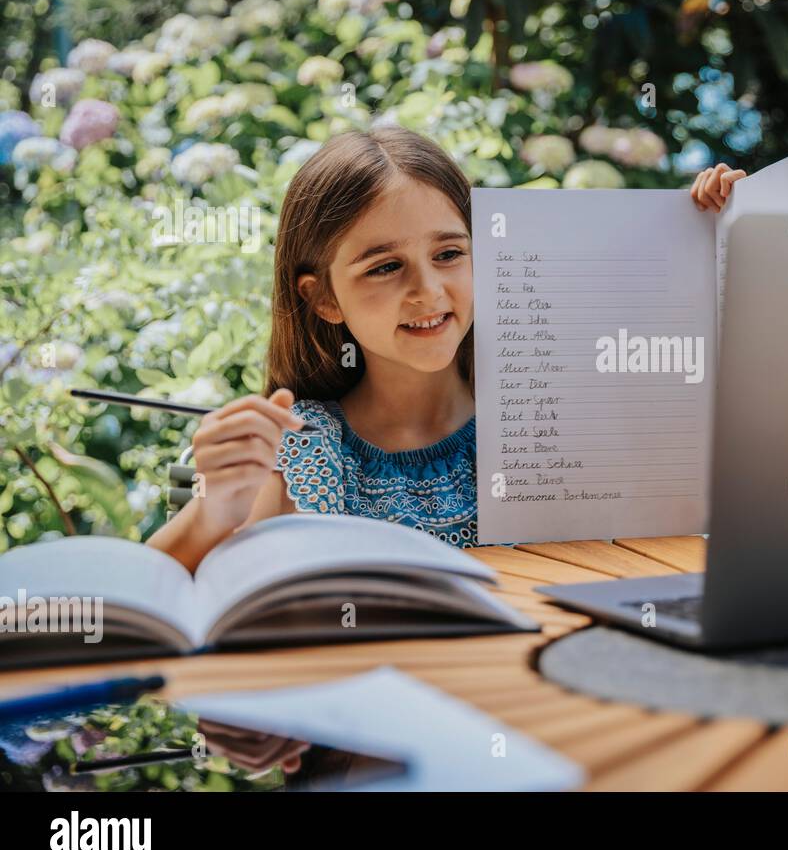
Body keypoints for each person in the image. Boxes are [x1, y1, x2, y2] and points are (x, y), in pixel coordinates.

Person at [148, 125, 746, 571]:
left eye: (449, 254)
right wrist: (213, 512)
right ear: (323, 298)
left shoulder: (564, 415)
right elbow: (146, 599)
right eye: (384, 267)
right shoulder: (294, 451)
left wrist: (710, 236)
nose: (427, 291)